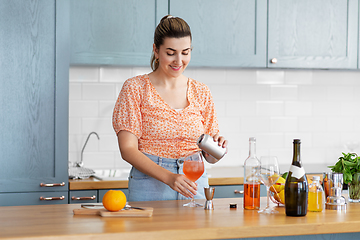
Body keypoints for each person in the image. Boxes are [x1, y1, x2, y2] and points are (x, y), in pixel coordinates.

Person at [112, 15, 228, 202]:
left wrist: (217, 149)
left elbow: (210, 157)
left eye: (185, 52)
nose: (179, 61)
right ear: (156, 51)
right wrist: (169, 177)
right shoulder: (135, 88)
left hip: (194, 182)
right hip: (149, 185)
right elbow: (127, 149)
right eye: (171, 52)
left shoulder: (201, 91)